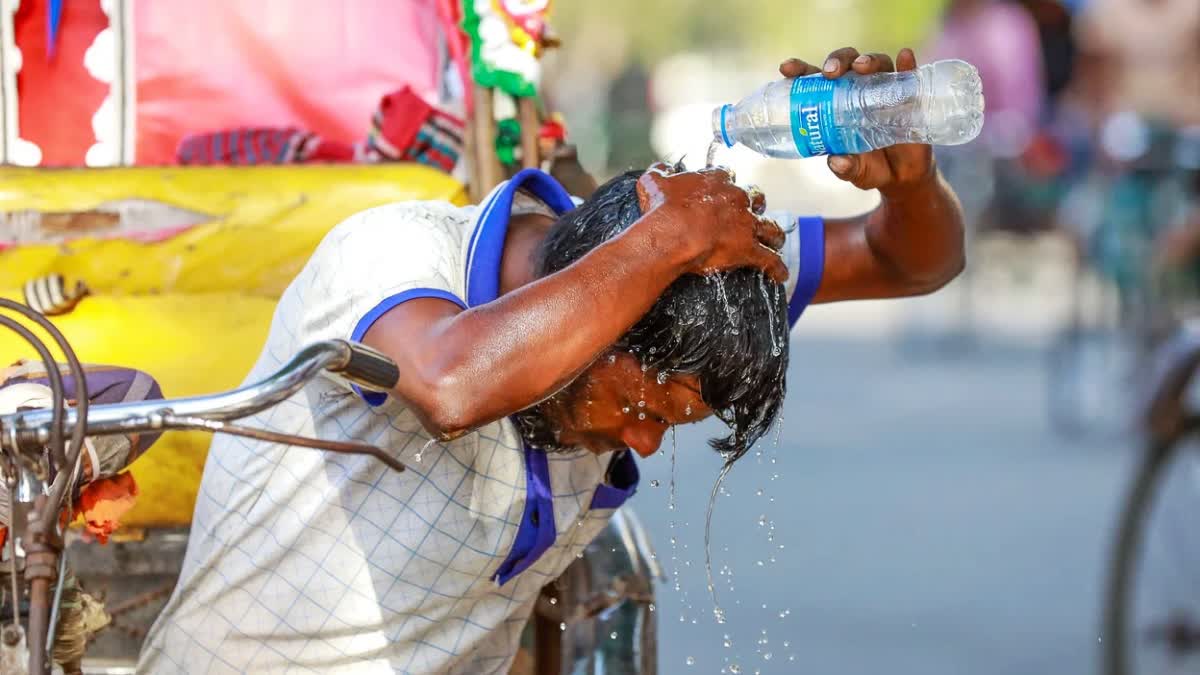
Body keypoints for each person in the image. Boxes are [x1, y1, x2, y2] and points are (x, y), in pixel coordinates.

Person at [139, 47, 965, 674]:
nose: (643, 445)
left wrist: (910, 184)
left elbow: (913, 261)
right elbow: (453, 383)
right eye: (644, 408)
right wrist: (668, 237)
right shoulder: (392, 256)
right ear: (602, 316)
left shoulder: (687, 296)